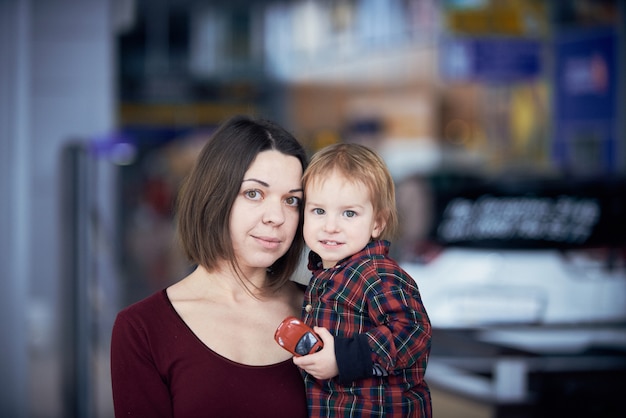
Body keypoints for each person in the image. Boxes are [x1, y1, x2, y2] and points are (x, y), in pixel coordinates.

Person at [110, 115, 309, 418]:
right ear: (213, 196)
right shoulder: (142, 329)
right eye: (254, 193)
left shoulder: (324, 309)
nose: (276, 216)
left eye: (291, 201)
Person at [292, 142, 432, 417]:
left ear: (377, 223)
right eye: (319, 211)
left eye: (349, 213)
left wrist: (343, 357)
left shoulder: (376, 274)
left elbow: (414, 332)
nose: (331, 225)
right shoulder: (327, 275)